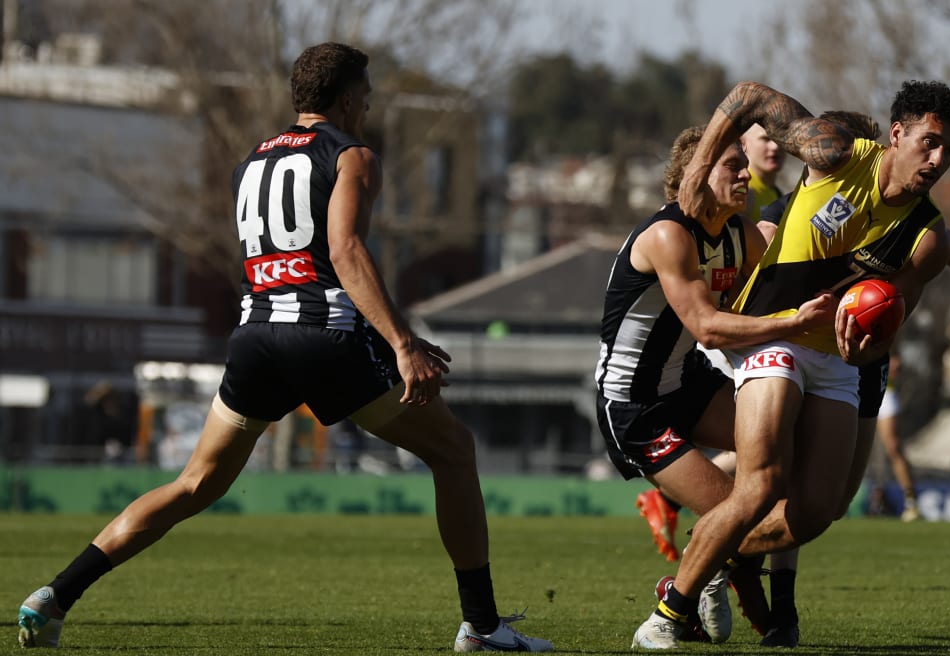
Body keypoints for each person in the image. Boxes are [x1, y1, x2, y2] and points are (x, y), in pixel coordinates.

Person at [16, 42, 552, 653]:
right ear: (348, 98)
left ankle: (55, 596)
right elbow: (345, 253)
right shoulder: (353, 157)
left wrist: (388, 332)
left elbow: (285, 261)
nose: (370, 106)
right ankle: (482, 628)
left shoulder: (253, 160)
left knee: (195, 484)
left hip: (255, 337)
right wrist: (401, 343)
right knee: (455, 452)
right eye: (368, 95)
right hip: (323, 337)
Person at [632, 79, 950, 650]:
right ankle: (668, 615)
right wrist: (698, 167)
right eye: (930, 142)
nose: (938, 159)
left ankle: (714, 553)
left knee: (819, 510)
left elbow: (888, 327)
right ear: (898, 133)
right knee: (762, 482)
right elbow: (747, 95)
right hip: (771, 333)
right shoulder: (835, 150)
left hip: (834, 362)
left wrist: (865, 339)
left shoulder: (927, 239)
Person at [595, 124, 839, 647]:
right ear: (696, 174)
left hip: (690, 383)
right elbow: (707, 327)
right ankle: (675, 604)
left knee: (783, 460)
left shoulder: (740, 232)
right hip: (635, 407)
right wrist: (793, 322)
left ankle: (735, 591)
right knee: (740, 509)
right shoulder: (668, 236)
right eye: (734, 164)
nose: (746, 173)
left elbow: (774, 288)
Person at [869, 352, 922, 521]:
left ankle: (911, 501)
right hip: (855, 388)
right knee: (862, 447)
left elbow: (895, 361)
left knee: (892, 446)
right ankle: (875, 495)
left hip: (885, 392)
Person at [740, 123, 785, 237]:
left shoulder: (777, 193)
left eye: (781, 139)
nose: (775, 146)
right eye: (766, 139)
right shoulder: (742, 193)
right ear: (743, 142)